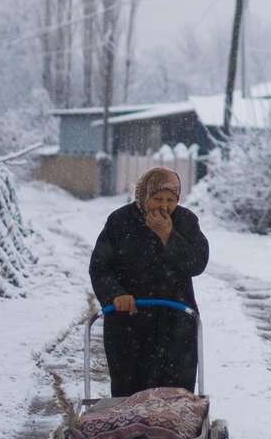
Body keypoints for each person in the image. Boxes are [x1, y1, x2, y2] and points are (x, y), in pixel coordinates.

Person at [89, 167, 210, 398]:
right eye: (157, 199)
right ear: (144, 196)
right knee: (129, 391)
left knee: (175, 393)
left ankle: (174, 432)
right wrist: (116, 294)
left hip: (175, 321)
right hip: (128, 321)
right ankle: (129, 431)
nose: (163, 206)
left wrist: (168, 236)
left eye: (170, 200)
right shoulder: (119, 221)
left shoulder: (185, 221)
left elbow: (197, 263)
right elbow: (100, 267)